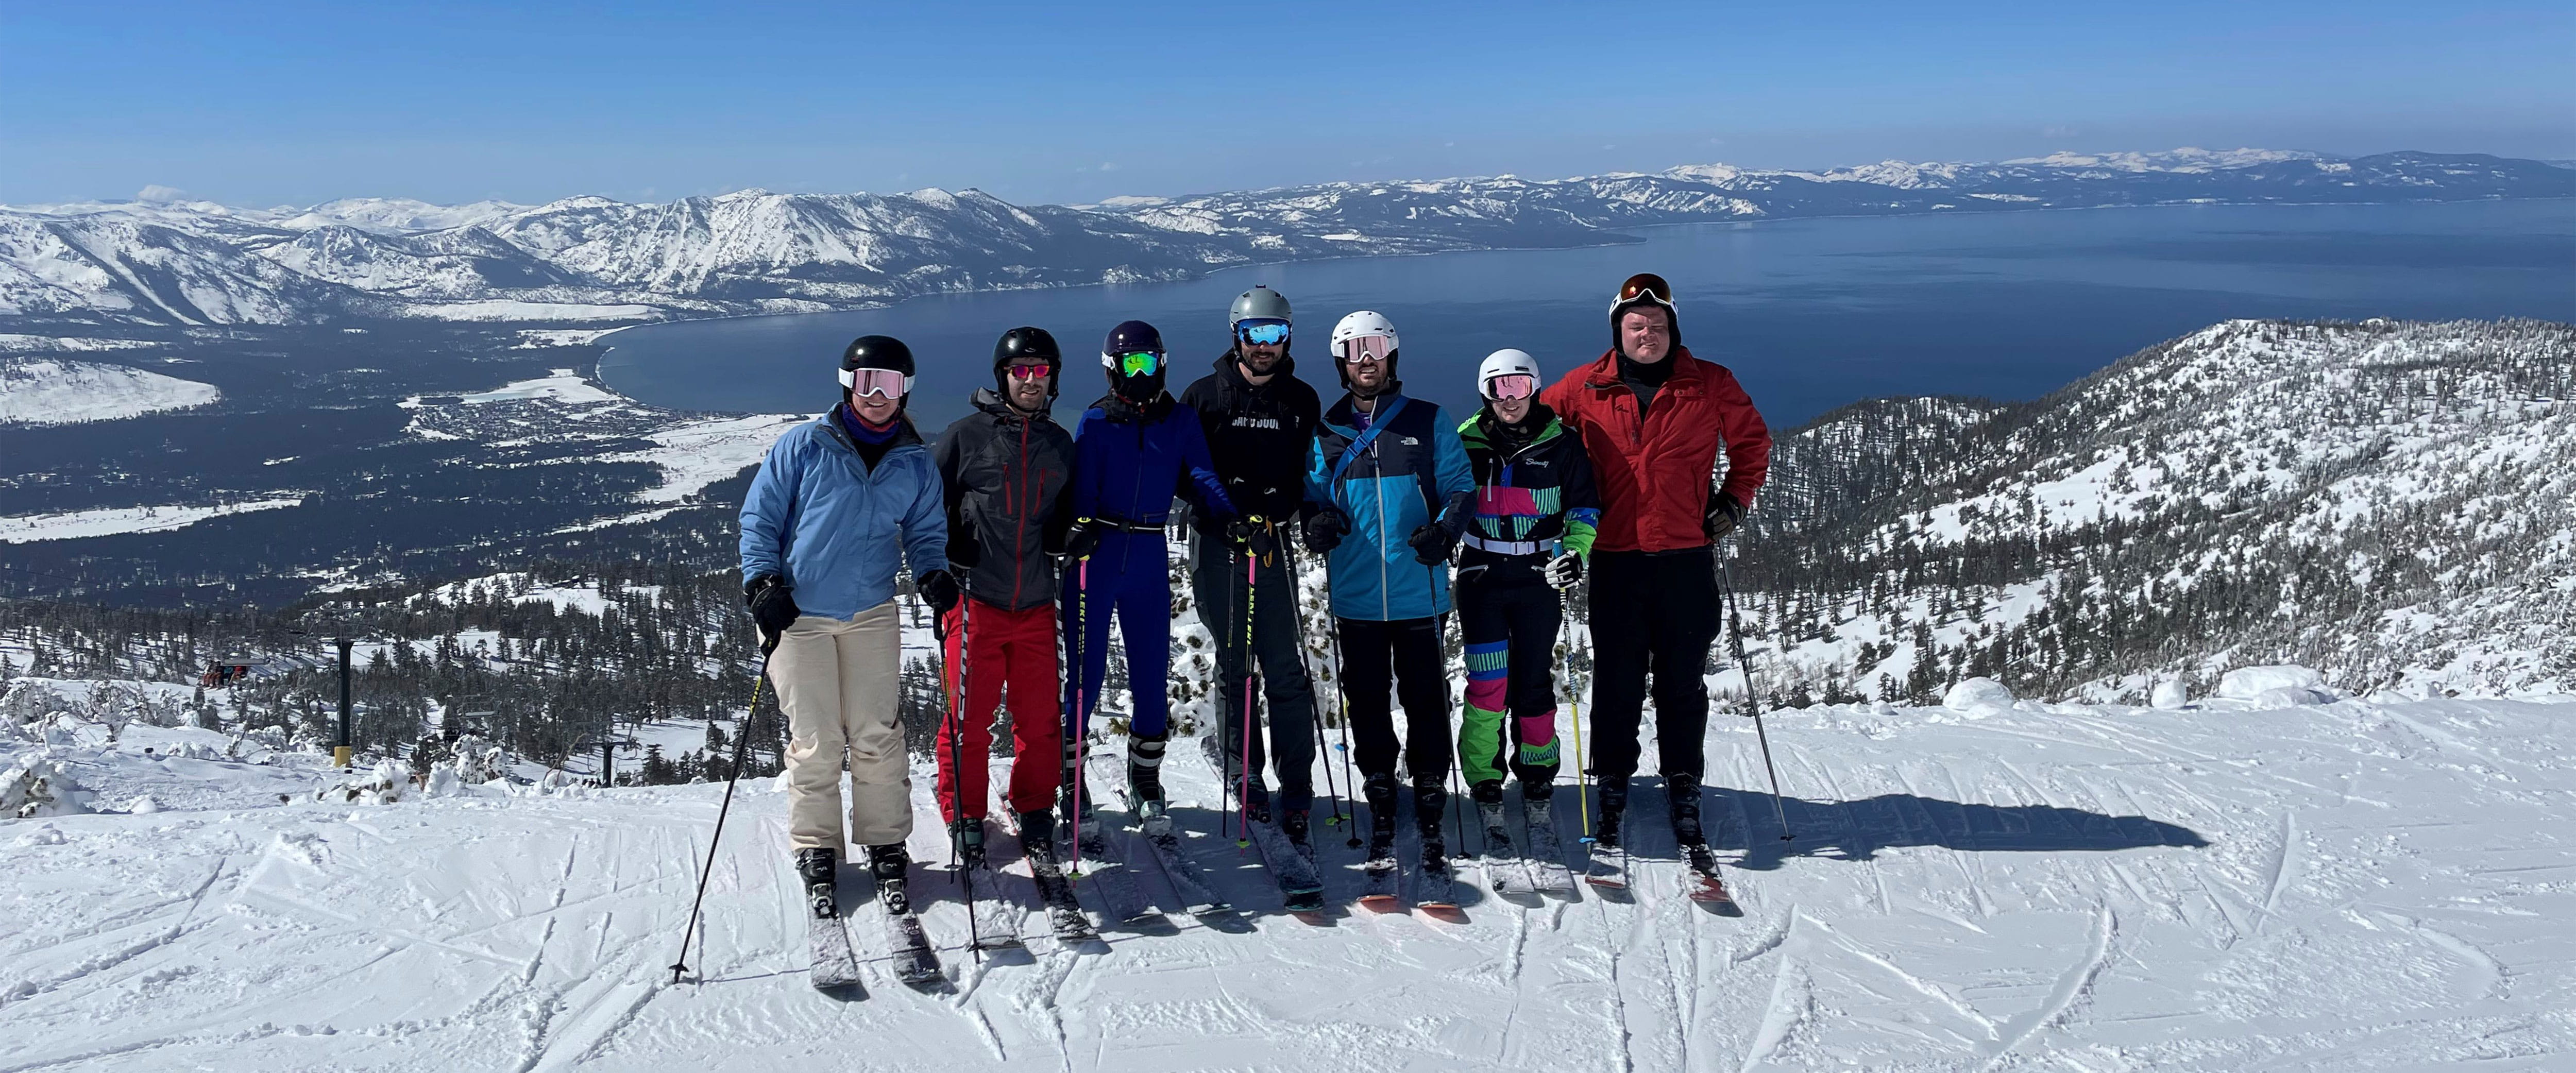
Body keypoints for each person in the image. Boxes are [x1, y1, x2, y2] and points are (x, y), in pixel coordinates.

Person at [1536, 273, 1770, 854]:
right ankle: (1611, 776)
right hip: (1615, 557)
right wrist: (1550, 513)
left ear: (1673, 330)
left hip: (1684, 555)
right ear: (1618, 331)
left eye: (1658, 325)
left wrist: (1735, 502)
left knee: (1681, 678)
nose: (1648, 334)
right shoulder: (1582, 387)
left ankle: (1682, 777)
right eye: (1636, 325)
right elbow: (1528, 433)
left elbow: (1752, 444)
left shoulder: (1709, 383)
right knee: (1616, 677)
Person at [740, 334, 958, 919]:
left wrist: (932, 571)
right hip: (799, 617)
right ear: (846, 385)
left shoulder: (913, 461)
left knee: (876, 732)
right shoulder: (805, 445)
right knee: (815, 740)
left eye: (889, 384)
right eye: (867, 383)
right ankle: (816, 846)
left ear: (905, 390)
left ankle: (886, 840)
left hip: (869, 614)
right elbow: (759, 519)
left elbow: (925, 531)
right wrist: (762, 583)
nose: (878, 396)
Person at [1302, 311, 1475, 872]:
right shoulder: (1327, 432)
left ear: (1392, 355)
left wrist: (1445, 533)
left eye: (1375, 347)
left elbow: (1459, 487)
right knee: (1367, 697)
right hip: (1355, 595)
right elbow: (1311, 498)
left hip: (1418, 590)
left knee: (1425, 693)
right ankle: (1378, 776)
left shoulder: (1427, 421)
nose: (1366, 359)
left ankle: (1428, 779)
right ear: (1341, 364)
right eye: (1354, 351)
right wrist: (1316, 524)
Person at [1061, 320, 1242, 829]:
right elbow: (1081, 489)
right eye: (1127, 364)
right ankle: (1070, 783)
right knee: (1085, 675)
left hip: (1146, 550)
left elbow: (1201, 473)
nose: (1137, 373)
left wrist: (1227, 515)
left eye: (1146, 362)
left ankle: (1145, 780)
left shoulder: (1179, 421)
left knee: (1149, 673)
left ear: (1161, 364)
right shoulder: (1096, 422)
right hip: (1098, 554)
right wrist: (1077, 527)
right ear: (1110, 369)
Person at [1178, 286, 1326, 846]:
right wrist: (1223, 511)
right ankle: (1246, 776)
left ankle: (1296, 782)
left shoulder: (1300, 399)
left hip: (1272, 544)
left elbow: (1312, 471)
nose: (1264, 346)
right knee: (1235, 666)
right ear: (1236, 336)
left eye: (1275, 335)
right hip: (1219, 546)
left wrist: (1311, 515)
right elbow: (1183, 471)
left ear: (1287, 336)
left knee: (1284, 667)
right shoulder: (1204, 397)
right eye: (1254, 335)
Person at [930, 327, 1077, 868]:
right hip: (975, 601)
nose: (1032, 380)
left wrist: (1071, 535)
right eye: (1022, 371)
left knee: (1039, 718)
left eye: (1041, 371)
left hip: (1037, 601)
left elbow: (1066, 514)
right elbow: (925, 505)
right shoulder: (965, 438)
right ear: (1003, 377)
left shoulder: (1058, 444)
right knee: (968, 717)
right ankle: (964, 811)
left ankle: (1034, 804)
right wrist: (947, 549)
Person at [1452, 349, 1598, 840]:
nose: (1509, 398)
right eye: (1498, 388)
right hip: (1482, 575)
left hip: (1538, 576)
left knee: (1534, 681)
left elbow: (1584, 511)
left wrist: (1575, 554)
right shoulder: (1465, 442)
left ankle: (1537, 775)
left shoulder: (1563, 444)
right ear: (1485, 393)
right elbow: (1442, 501)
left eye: (1518, 386)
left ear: (1535, 387)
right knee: (1489, 683)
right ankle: (1485, 778)